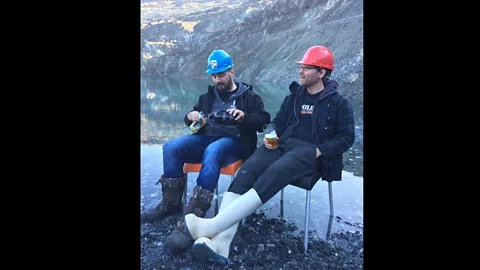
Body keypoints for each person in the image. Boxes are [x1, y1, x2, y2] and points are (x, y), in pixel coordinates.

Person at [166, 45, 355, 263]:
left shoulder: (340, 103)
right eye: (301, 67)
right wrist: (271, 135)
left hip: (312, 152)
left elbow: (346, 137)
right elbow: (276, 122)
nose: (300, 72)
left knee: (274, 172)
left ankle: (210, 226)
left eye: (306, 68)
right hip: (282, 145)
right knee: (246, 171)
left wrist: (319, 150)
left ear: (321, 72)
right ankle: (221, 244)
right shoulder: (293, 97)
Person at [141, 49, 271, 245]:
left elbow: (263, 120)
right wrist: (191, 115)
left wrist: (244, 117)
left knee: (213, 152)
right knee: (171, 147)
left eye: (221, 75)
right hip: (205, 138)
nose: (217, 80)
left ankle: (194, 215)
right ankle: (171, 203)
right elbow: (190, 117)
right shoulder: (207, 97)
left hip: (233, 142)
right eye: (214, 76)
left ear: (232, 72)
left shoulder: (249, 97)